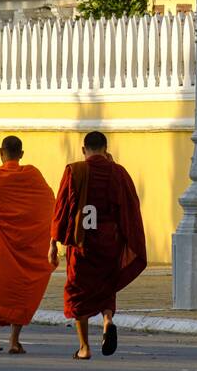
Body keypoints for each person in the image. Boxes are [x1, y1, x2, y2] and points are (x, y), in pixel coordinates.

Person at [50, 130, 147, 359]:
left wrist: (53, 242)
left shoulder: (75, 170)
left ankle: (84, 347)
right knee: (106, 286)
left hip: (82, 241)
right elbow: (129, 206)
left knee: (77, 291)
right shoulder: (118, 172)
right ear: (106, 148)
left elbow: (61, 207)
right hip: (108, 240)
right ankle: (107, 321)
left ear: (84, 150)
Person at [0, 135, 56, 354]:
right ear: (21, 154)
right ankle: (14, 341)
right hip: (26, 245)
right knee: (20, 292)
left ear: (0, 152)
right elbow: (49, 203)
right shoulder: (33, 175)